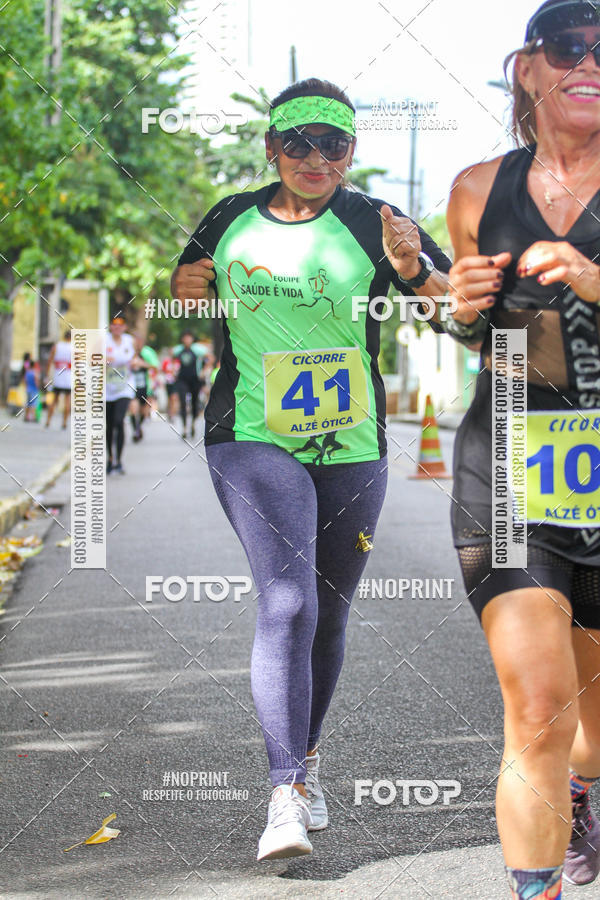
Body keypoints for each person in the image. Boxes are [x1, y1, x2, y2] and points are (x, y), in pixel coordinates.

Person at [171, 77, 450, 861]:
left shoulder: (378, 223)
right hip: (251, 431)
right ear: (271, 149)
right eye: (298, 142)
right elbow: (186, 283)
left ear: (352, 153)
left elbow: (457, 312)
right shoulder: (229, 216)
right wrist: (182, 286)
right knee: (287, 601)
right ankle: (283, 791)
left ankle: (309, 757)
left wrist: (416, 270)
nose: (315, 157)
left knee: (328, 607)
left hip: (354, 441)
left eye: (334, 144)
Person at [444, 2, 600, 896]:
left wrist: (590, 277)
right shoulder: (475, 190)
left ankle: (584, 789)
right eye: (572, 46)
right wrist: (461, 309)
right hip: (509, 455)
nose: (590, 63)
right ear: (529, 69)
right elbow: (476, 333)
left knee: (590, 720)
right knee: (538, 708)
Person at [105, 314, 135, 474]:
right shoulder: (104, 341)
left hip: (125, 387)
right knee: (109, 425)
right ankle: (110, 458)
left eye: (120, 324)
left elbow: (135, 358)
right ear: (111, 326)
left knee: (119, 420)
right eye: (114, 324)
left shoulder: (129, 341)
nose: (117, 327)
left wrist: (136, 363)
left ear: (124, 327)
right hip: (107, 388)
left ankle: (119, 459)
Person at [172, 331, 205, 439]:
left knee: (195, 403)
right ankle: (185, 427)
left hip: (195, 379)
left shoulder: (198, 349)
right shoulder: (178, 350)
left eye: (189, 338)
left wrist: (203, 371)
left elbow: (210, 358)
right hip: (182, 379)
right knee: (183, 402)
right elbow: (172, 357)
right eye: (185, 338)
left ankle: (193, 424)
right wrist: (173, 369)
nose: (187, 340)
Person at [129, 333, 159, 441]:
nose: (137, 344)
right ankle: (136, 430)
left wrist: (142, 364)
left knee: (144, 411)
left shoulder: (148, 352)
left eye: (139, 342)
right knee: (133, 408)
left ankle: (138, 426)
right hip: (131, 386)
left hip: (146, 385)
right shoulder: (128, 352)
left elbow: (156, 367)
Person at [45, 329, 72, 429]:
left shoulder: (57, 346)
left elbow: (49, 361)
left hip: (58, 377)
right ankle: (64, 422)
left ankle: (48, 420)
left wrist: (47, 375)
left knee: (54, 400)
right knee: (67, 401)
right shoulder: (73, 348)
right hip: (68, 378)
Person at [161, 349, 180, 421]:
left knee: (174, 398)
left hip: (175, 382)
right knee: (169, 399)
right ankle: (169, 412)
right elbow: (163, 371)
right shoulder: (166, 362)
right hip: (168, 382)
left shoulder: (178, 362)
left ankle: (173, 414)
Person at [21, 353, 39, 423]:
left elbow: (24, 380)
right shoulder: (34, 372)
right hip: (34, 390)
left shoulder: (27, 372)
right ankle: (34, 417)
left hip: (28, 389)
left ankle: (26, 416)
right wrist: (38, 387)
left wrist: (26, 386)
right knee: (33, 404)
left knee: (28, 403)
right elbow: (36, 381)